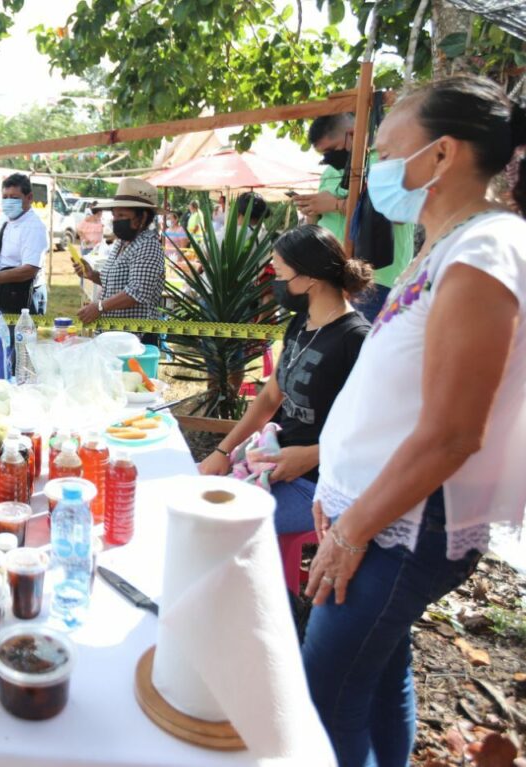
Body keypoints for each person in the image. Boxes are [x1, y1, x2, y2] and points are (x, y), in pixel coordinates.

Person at [301, 75, 526, 766]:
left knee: (323, 701)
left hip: (401, 528)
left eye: (391, 146)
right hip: (376, 513)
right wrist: (335, 490)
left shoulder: (484, 251)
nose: (373, 168)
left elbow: (455, 429)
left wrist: (354, 527)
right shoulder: (444, 244)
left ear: (441, 155)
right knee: (377, 675)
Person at [198, 225, 372, 533]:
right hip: (273, 463)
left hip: (319, 484)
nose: (276, 283)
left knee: (216, 526)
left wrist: (311, 455)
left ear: (310, 277)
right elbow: (269, 396)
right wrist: (222, 451)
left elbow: (376, 431)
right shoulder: (300, 324)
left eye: (279, 274)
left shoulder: (355, 339)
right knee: (197, 506)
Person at [296, 112, 416, 321]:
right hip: (333, 278)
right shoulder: (329, 172)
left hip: (376, 279)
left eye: (332, 149)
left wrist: (336, 204)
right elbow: (318, 223)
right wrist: (312, 209)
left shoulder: (385, 161)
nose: (329, 158)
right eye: (323, 154)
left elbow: (400, 213)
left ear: (353, 134)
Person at [73, 178, 166, 346]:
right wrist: (92, 275)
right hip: (115, 336)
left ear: (142, 217)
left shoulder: (148, 245)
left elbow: (136, 292)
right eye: (115, 215)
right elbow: (117, 282)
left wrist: (99, 307)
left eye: (122, 215)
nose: (116, 220)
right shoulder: (121, 243)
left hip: (136, 339)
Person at [0, 173, 48, 315]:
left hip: (22, 295)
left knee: (17, 336)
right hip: (0, 291)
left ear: (29, 198)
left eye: (15, 198)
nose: (9, 202)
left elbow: (30, 269)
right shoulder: (5, 220)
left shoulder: (34, 227)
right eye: (5, 197)